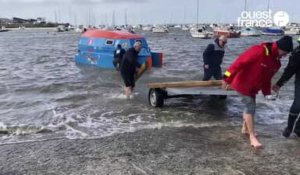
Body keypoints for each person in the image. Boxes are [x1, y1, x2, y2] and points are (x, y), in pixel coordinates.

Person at [222, 36, 293, 148]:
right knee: (250, 107)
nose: (284, 56)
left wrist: (267, 94)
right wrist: (226, 78)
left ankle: (245, 129)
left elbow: (267, 80)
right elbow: (237, 63)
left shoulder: (277, 63)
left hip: (253, 89)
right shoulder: (258, 51)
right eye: (284, 52)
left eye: (287, 54)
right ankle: (252, 137)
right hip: (241, 84)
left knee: (250, 106)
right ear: (278, 47)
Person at [272, 37, 300, 138]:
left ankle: (298, 129)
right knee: (298, 105)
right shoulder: (297, 53)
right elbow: (289, 71)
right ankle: (289, 127)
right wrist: (279, 84)